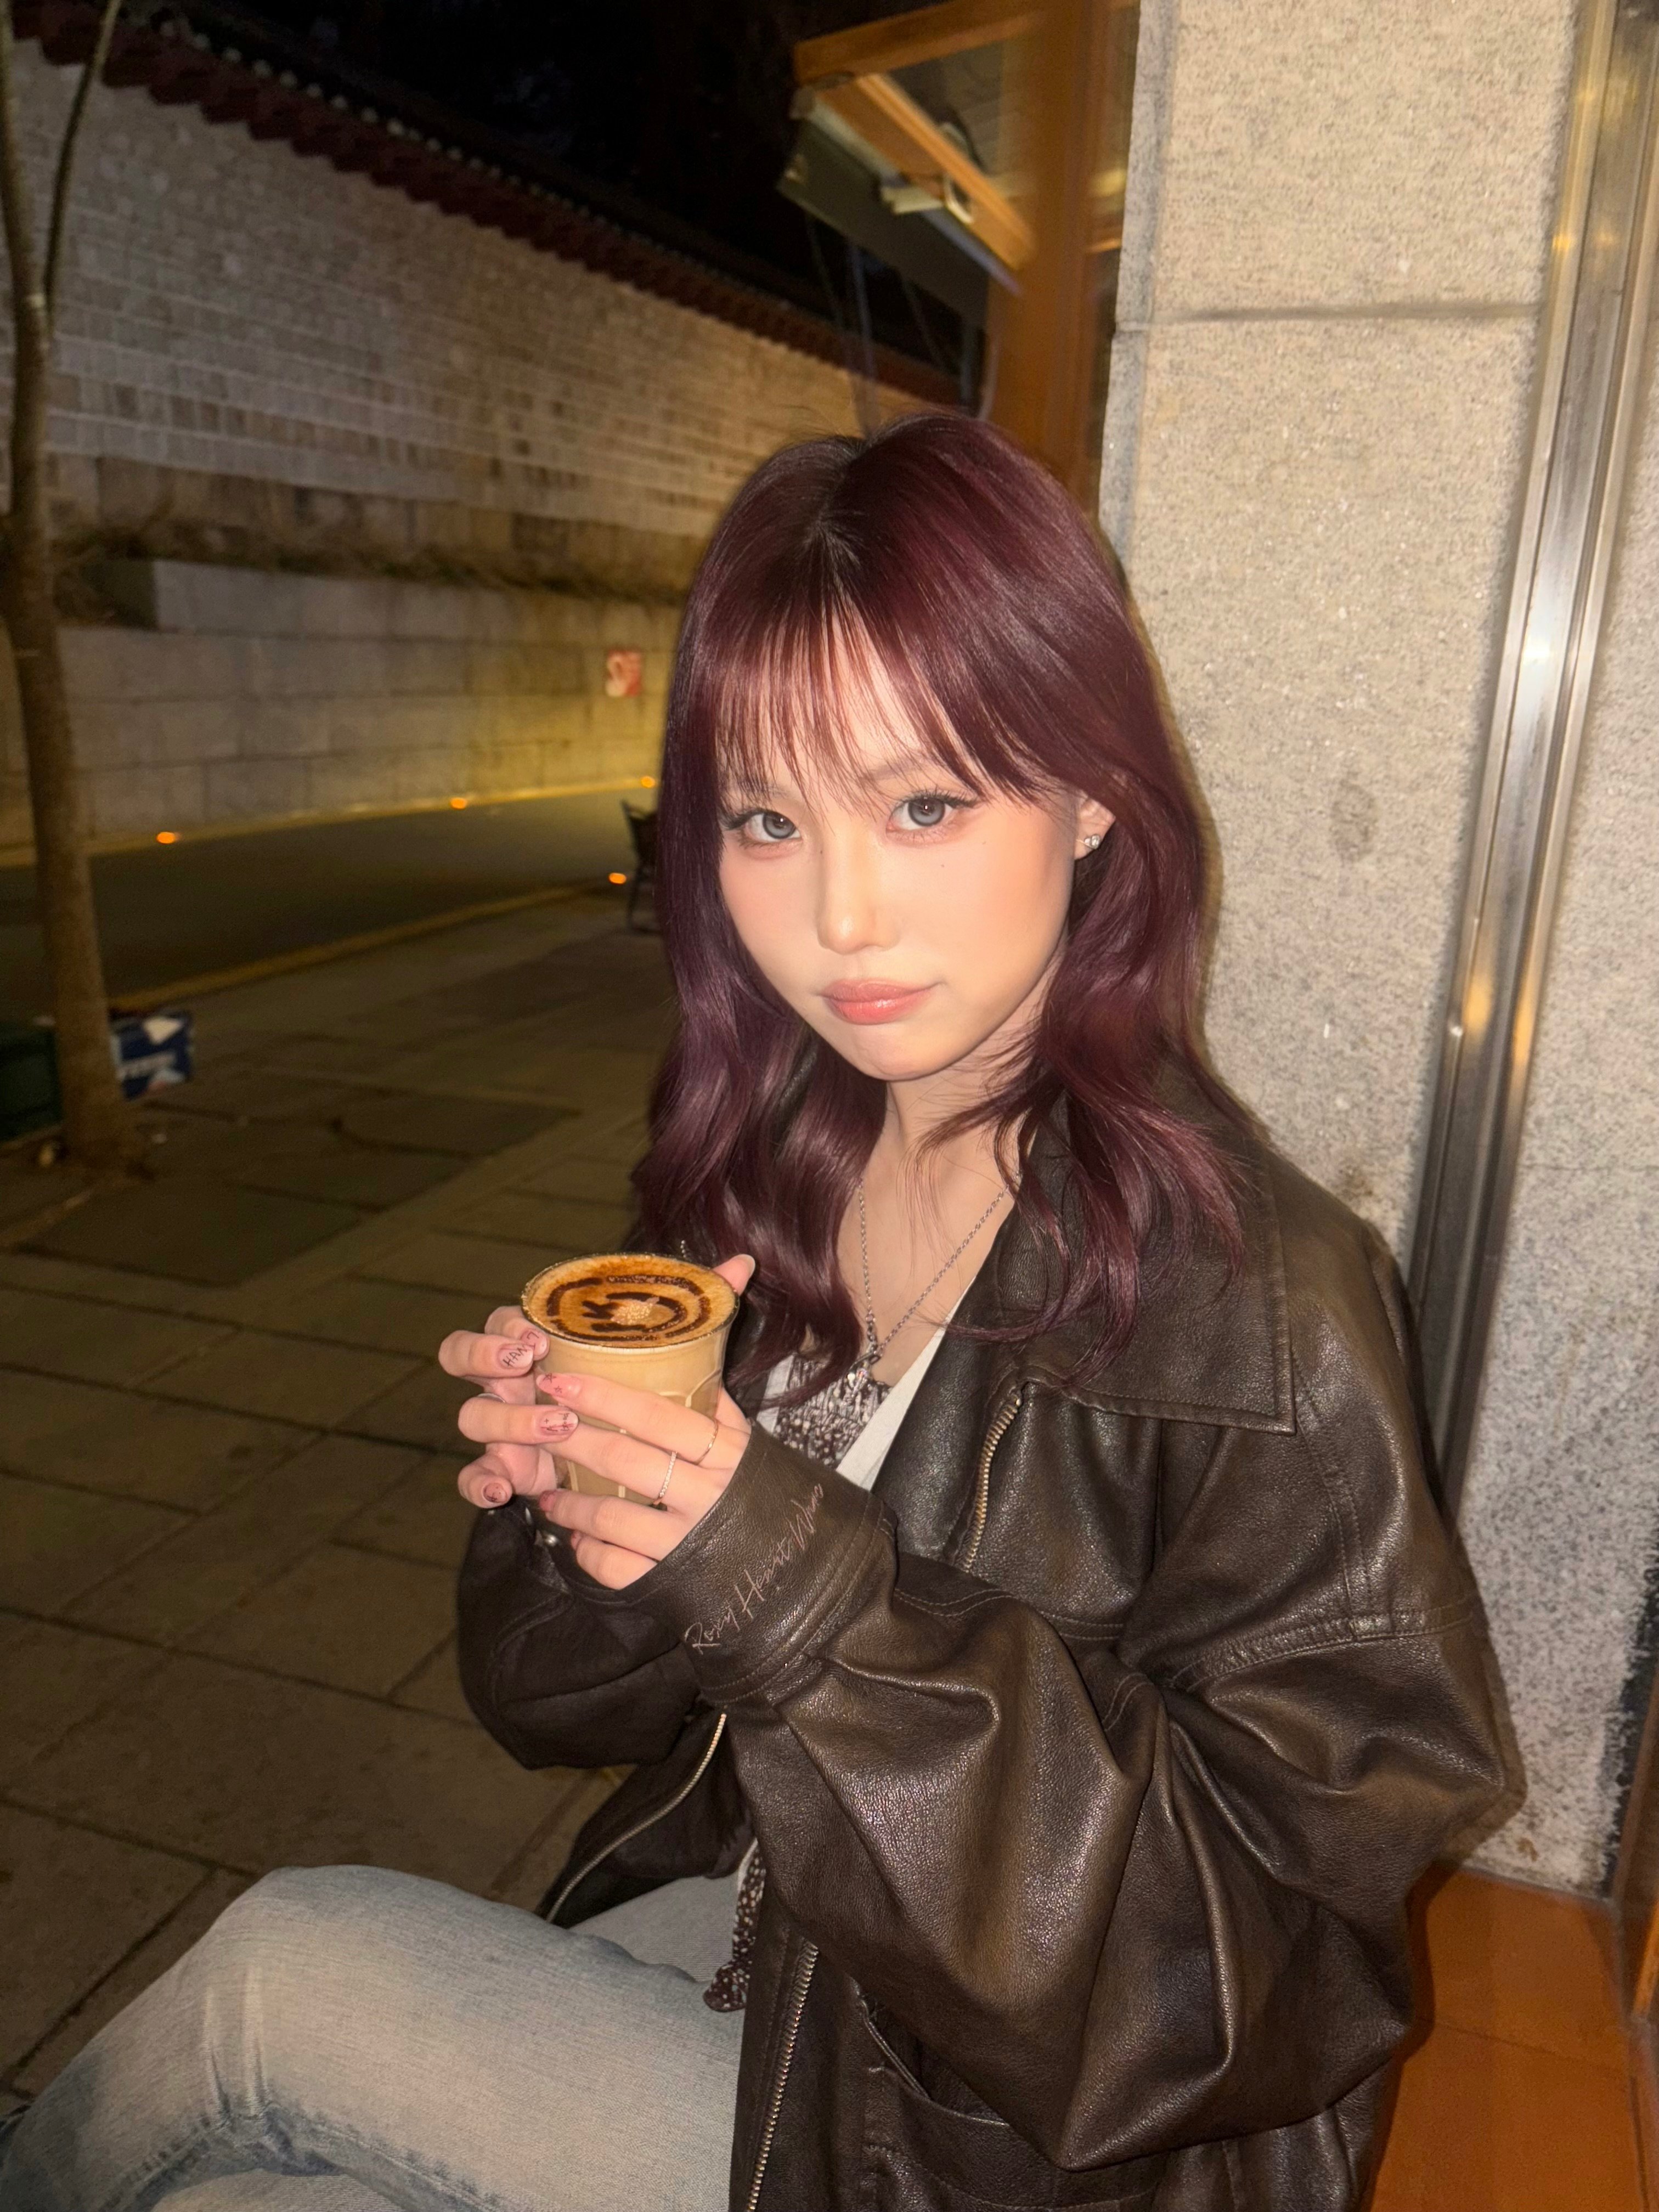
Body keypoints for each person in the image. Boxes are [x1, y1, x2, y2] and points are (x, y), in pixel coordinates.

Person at [0, 415, 1505, 2212]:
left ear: (1095, 796)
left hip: (996, 2143)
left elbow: (1259, 1980)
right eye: (768, 820)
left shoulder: (1267, 1312)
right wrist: (585, 1504)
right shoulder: (777, 1165)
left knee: (269, 1981)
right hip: (753, 1957)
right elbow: (550, 1710)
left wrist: (782, 1578)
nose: (840, 916)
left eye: (925, 804)